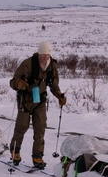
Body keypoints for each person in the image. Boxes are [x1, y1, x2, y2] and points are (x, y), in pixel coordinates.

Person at [9, 40, 66, 169]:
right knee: (21, 127)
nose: (44, 57)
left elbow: (53, 85)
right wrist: (18, 84)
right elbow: (13, 81)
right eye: (42, 55)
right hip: (25, 100)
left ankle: (37, 156)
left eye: (47, 55)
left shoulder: (52, 66)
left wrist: (59, 96)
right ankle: (15, 151)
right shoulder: (27, 64)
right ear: (38, 53)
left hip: (40, 101)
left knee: (40, 129)